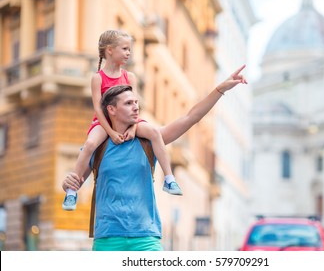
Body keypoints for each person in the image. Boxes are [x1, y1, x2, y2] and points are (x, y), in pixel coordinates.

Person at [62, 65, 247, 251]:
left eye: (136, 102)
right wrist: (68, 183)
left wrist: (220, 89)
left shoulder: (149, 141)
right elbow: (74, 183)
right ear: (111, 109)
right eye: (128, 103)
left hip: (146, 239)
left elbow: (191, 117)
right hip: (107, 240)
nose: (136, 107)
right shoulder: (97, 147)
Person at [62, 30, 182, 211]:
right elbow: (97, 108)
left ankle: (169, 178)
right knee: (89, 145)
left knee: (154, 132)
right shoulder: (98, 78)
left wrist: (133, 129)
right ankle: (72, 191)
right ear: (109, 50)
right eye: (125, 49)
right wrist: (111, 132)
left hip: (130, 121)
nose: (129, 53)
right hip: (103, 122)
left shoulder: (129, 77)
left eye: (129, 49)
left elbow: (135, 104)